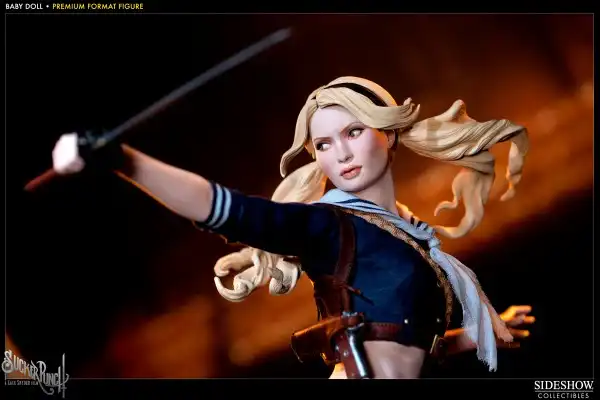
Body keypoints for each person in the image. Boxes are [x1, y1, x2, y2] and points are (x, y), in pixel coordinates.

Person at [51, 76, 530, 379]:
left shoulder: (410, 236)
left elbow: (409, 340)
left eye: (354, 132)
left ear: (388, 133)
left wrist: (477, 335)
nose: (340, 153)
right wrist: (123, 160)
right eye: (323, 144)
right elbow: (221, 207)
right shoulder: (327, 225)